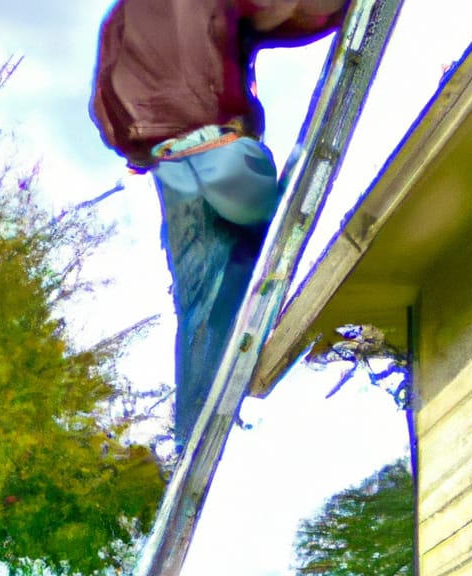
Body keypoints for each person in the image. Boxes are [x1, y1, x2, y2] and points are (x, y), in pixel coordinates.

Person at [90, 0, 350, 450]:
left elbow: (102, 110)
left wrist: (140, 147)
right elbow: (295, 11)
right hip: (222, 153)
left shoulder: (119, 18)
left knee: (198, 316)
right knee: (254, 260)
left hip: (169, 170)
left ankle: (193, 439)